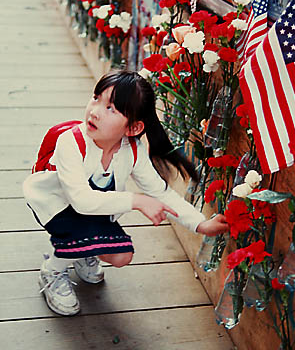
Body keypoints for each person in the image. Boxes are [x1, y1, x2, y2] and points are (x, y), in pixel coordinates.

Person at [23, 70, 228, 316]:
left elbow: (161, 193)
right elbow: (81, 201)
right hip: (57, 206)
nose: (95, 110)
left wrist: (201, 225)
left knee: (122, 255)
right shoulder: (71, 142)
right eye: (96, 97)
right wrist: (137, 200)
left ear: (133, 128)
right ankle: (53, 270)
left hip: (91, 209)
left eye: (111, 108)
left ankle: (81, 253)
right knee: (76, 228)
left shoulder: (131, 149)